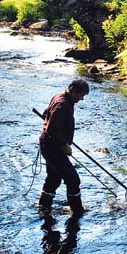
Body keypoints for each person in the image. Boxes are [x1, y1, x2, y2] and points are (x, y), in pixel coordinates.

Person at [38, 79, 90, 215]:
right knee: (73, 179)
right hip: (53, 147)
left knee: (54, 178)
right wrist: (64, 145)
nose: (82, 98)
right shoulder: (62, 104)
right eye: (80, 95)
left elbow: (45, 114)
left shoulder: (59, 97)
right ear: (72, 90)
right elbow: (52, 129)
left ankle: (44, 206)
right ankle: (77, 209)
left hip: (48, 145)